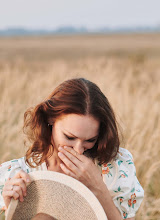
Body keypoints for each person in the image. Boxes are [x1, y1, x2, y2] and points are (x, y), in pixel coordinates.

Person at [0, 78, 144, 220]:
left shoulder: (114, 167)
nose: (78, 150)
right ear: (50, 119)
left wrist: (99, 188)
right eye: (69, 137)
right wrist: (11, 206)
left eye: (90, 140)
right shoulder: (21, 173)